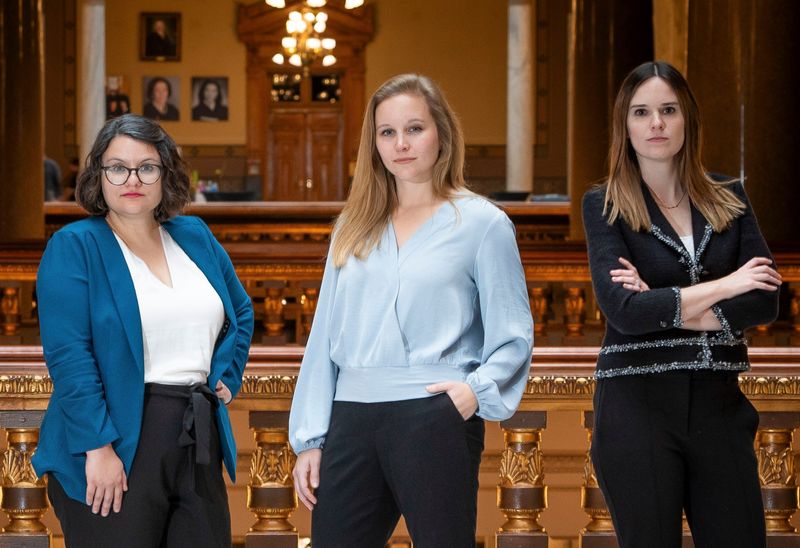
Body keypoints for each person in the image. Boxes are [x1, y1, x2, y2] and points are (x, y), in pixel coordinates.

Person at [289, 73, 534, 547]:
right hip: (352, 417)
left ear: (441, 133)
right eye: (387, 132)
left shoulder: (483, 224)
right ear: (374, 143)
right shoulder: (353, 227)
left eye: (415, 128)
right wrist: (310, 438)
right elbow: (324, 339)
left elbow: (513, 333)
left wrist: (471, 393)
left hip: (434, 413)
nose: (401, 143)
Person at [582, 61, 781, 548]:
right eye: (641, 112)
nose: (656, 124)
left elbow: (764, 301)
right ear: (624, 126)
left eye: (668, 110)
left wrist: (661, 301)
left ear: (686, 119)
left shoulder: (729, 197)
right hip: (637, 405)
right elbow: (624, 313)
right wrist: (726, 284)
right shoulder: (605, 204)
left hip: (719, 403)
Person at [33, 114, 254, 547]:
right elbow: (70, 357)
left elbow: (240, 312)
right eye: (117, 167)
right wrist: (97, 448)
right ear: (98, 175)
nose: (131, 179)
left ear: (165, 173)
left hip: (196, 432)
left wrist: (227, 375)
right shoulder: (75, 246)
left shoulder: (194, 235)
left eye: (146, 167)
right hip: (116, 438)